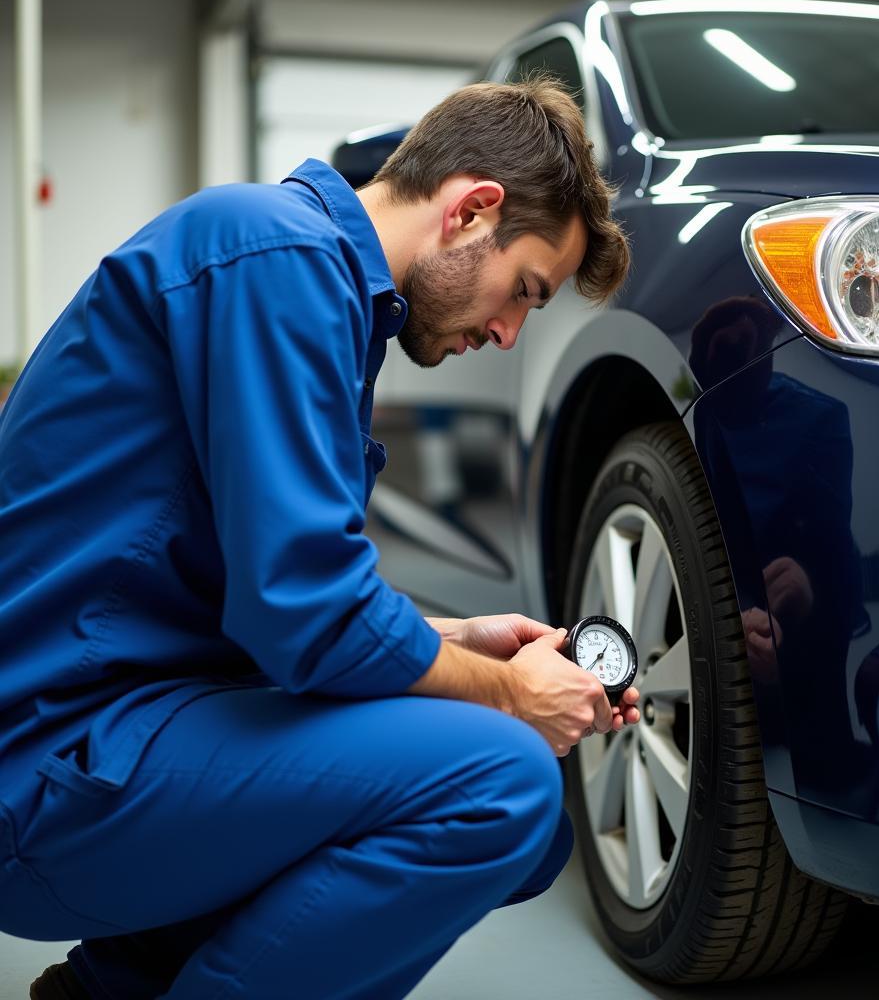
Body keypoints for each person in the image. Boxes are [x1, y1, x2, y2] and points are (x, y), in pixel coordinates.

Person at [0, 78, 634, 999]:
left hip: (124, 728)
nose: (507, 331)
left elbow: (267, 597)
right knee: (502, 782)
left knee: (534, 838)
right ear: (471, 210)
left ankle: (119, 986)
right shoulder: (276, 257)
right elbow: (304, 613)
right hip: (52, 762)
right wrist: (503, 694)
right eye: (525, 290)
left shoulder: (318, 287)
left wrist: (459, 643)